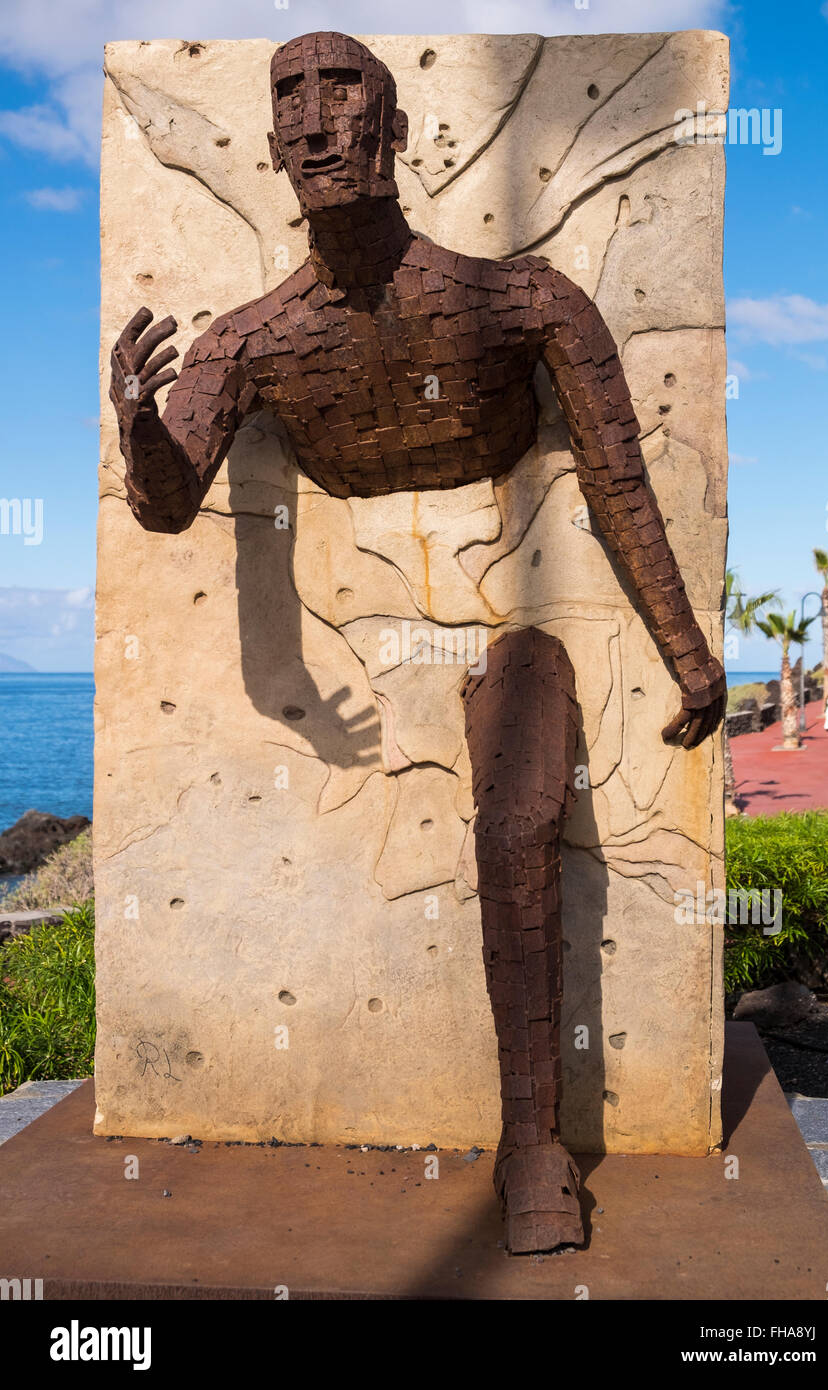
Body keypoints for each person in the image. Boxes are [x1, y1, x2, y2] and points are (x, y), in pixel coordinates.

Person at [109, 31, 726, 1256]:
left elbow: (615, 482)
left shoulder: (521, 301)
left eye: (344, 92)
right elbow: (173, 502)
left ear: (394, 131)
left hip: (515, 590)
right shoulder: (248, 341)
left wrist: (687, 651)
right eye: (290, 97)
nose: (316, 118)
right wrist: (137, 427)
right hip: (365, 624)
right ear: (274, 143)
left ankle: (535, 1145)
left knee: (513, 823)